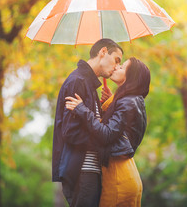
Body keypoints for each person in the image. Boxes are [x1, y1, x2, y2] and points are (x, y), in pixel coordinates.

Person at [65, 57, 151, 207]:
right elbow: (122, 130)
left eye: (122, 67)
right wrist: (110, 102)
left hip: (118, 179)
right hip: (126, 174)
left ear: (131, 78)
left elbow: (106, 135)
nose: (117, 67)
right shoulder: (133, 100)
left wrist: (82, 110)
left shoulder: (127, 102)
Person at [52, 38, 123, 207]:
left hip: (90, 171)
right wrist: (103, 140)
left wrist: (106, 106)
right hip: (81, 171)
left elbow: (92, 124)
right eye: (116, 60)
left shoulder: (89, 85)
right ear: (103, 52)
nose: (116, 67)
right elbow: (71, 132)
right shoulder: (78, 81)